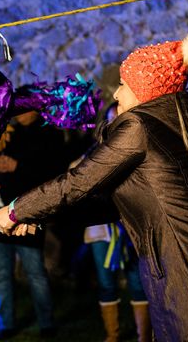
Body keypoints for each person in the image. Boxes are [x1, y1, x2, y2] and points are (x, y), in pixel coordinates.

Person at [0, 31, 188, 341]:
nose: (116, 94)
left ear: (144, 91)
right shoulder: (178, 125)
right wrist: (36, 215)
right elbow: (110, 200)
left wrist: (15, 210)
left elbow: (80, 181)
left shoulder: (139, 126)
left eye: (123, 85)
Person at [0, 111, 65, 339]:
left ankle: (46, 323)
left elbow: (51, 171)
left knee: (35, 271)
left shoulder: (47, 134)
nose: (21, 113)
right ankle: (5, 323)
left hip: (26, 214)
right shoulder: (2, 131)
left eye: (26, 107)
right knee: (1, 273)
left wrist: (17, 165)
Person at [79, 103, 150, 342]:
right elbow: (76, 179)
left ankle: (144, 336)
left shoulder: (140, 149)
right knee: (105, 281)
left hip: (132, 226)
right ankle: (112, 335)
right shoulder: (93, 152)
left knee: (138, 280)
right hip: (102, 228)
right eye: (112, 119)